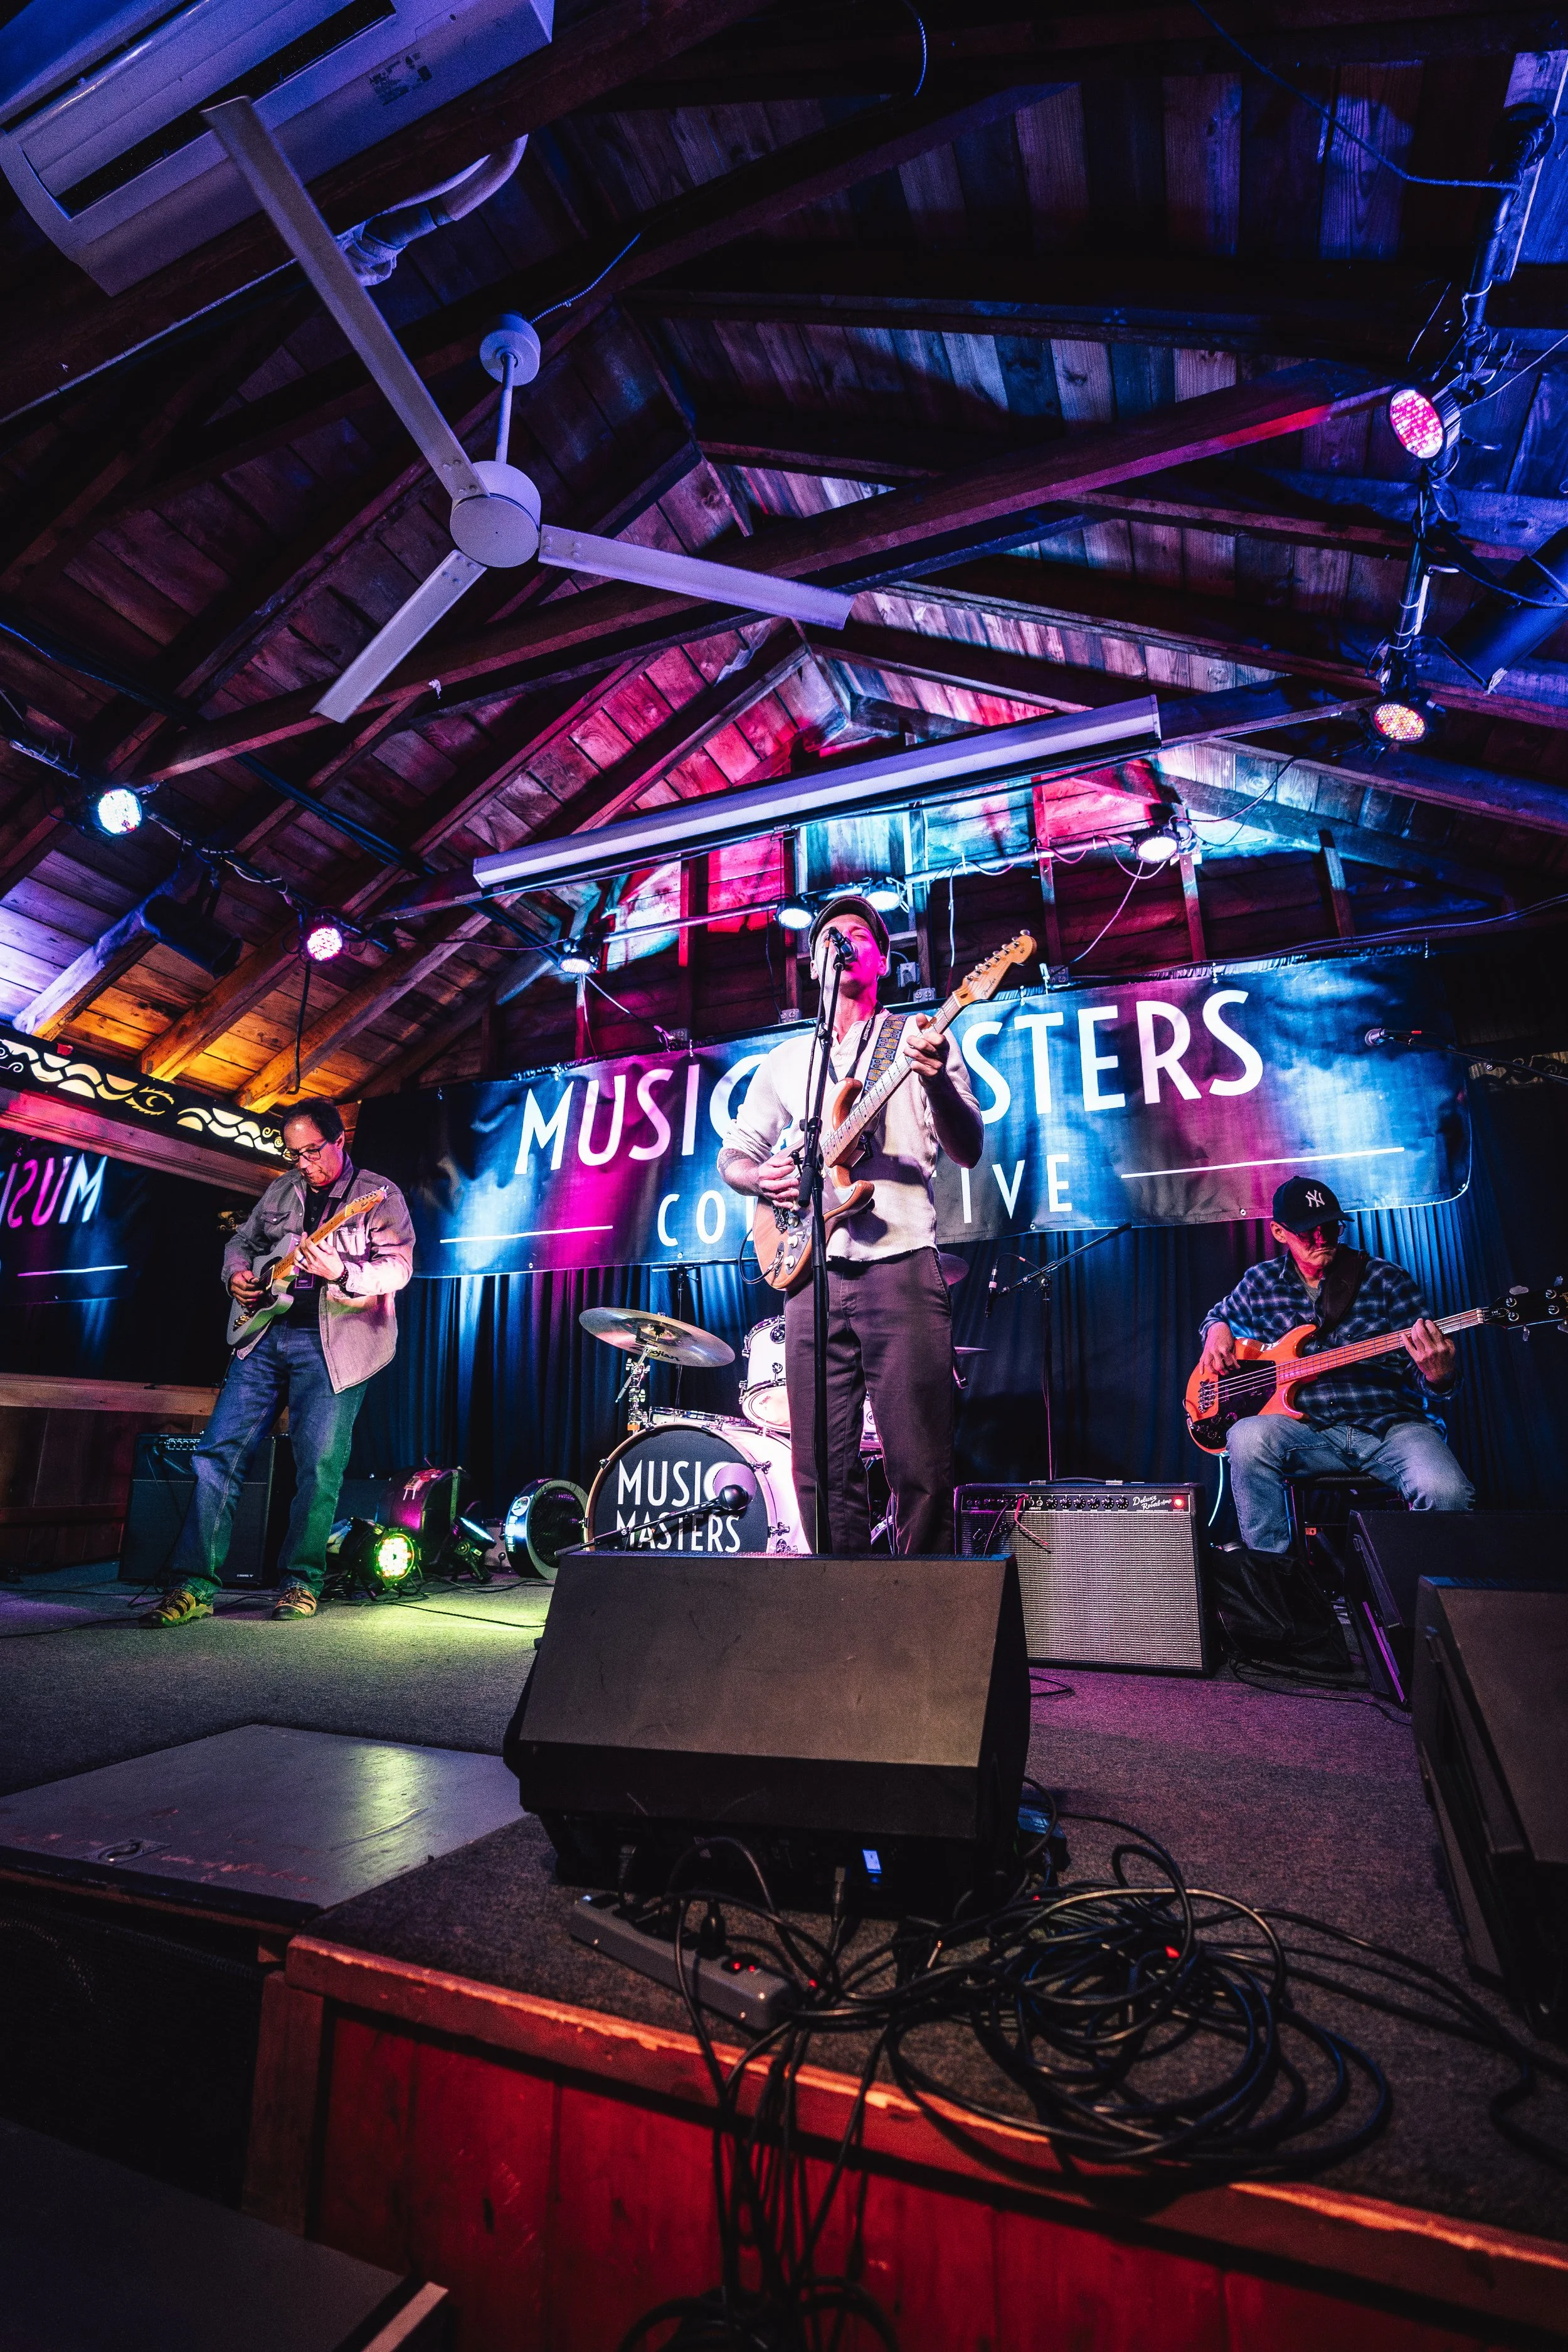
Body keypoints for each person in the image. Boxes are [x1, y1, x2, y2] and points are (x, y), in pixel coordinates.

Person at [719, 894, 983, 1554]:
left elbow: (969, 1147)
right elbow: (736, 1153)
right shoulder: (786, 1063)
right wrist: (759, 1179)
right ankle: (845, 1610)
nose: (844, 942)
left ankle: (922, 1618)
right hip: (810, 1272)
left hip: (899, 1264)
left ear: (882, 959)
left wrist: (938, 1082)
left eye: (859, 935)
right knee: (818, 1468)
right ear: (813, 965)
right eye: (830, 936)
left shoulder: (918, 1039)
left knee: (919, 1462)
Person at [143, 1099, 415, 1626]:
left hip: (334, 1348)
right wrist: (238, 1275)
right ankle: (193, 1586)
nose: (305, 1163)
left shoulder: (378, 1197)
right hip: (265, 1337)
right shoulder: (282, 1190)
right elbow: (242, 1243)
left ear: (340, 1142)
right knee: (215, 1454)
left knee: (318, 1468)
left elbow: (399, 1268)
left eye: (314, 1151)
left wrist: (341, 1271)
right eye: (295, 1153)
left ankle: (300, 1583)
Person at [1197, 1173, 1473, 1666]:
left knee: (1447, 1491)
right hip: (1308, 1432)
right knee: (1246, 1435)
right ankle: (1283, 1600)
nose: (1322, 1239)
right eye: (1308, 1231)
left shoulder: (1386, 1280)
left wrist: (1439, 1373)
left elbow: (1432, 1375)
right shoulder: (1260, 1283)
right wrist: (1215, 1332)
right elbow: (1217, 1316)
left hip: (1389, 1426)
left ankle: (1434, 1624)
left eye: (1330, 1227)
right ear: (1280, 1232)